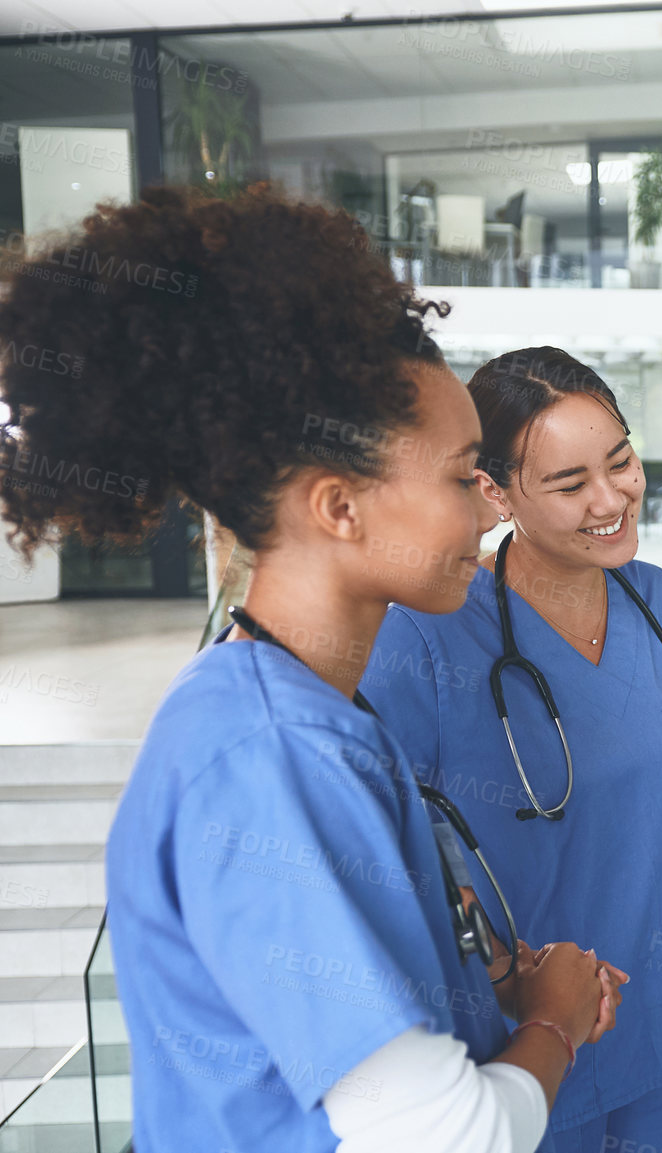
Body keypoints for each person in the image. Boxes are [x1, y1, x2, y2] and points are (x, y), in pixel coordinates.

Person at [0, 185, 626, 1152]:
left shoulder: (298, 711)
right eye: (464, 477)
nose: (487, 511)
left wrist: (478, 984)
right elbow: (443, 1135)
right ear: (340, 507)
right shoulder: (267, 756)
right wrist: (554, 1020)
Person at [361, 346, 662, 1153]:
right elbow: (378, 837)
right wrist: (504, 967)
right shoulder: (429, 633)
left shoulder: (661, 605)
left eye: (621, 463)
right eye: (571, 484)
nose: (612, 499)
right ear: (495, 490)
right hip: (524, 1040)